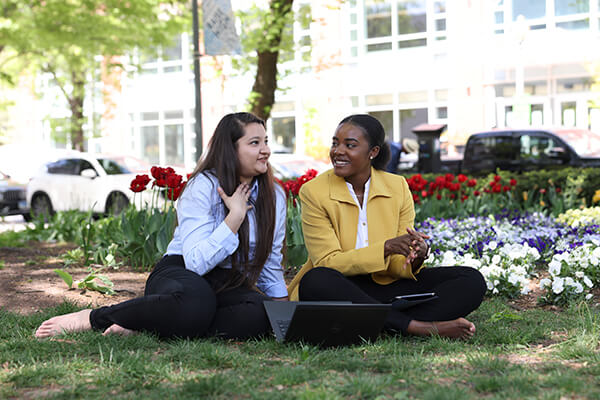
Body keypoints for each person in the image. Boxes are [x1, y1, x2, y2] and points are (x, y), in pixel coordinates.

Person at [36, 112, 288, 340]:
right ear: (230, 150)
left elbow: (270, 262)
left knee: (261, 313)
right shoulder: (203, 186)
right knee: (196, 303)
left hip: (226, 282)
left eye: (265, 141)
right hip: (181, 273)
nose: (265, 149)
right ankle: (93, 317)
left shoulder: (274, 195)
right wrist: (234, 218)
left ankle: (150, 324)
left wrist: (283, 313)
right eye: (254, 143)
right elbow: (196, 263)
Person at [287, 114, 486, 339]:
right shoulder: (314, 192)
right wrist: (387, 248)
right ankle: (416, 327)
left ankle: (378, 321)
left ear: (373, 152)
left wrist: (416, 255)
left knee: (470, 280)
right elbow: (328, 262)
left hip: (384, 288)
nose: (338, 151)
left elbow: (397, 268)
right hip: (340, 287)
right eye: (335, 143)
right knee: (316, 280)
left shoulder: (397, 187)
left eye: (349, 145)